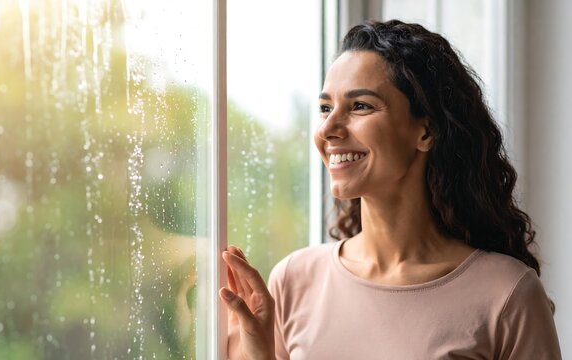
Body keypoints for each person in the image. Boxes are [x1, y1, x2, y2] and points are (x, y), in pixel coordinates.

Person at [218, 20, 562, 359]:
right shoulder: (293, 281)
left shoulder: (507, 294)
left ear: (426, 132)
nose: (329, 129)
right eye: (325, 108)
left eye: (360, 106)